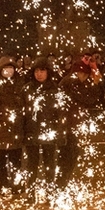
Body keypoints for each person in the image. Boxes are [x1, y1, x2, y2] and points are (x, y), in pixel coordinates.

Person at [58, 59, 100, 188]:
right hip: (68, 123)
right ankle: (61, 183)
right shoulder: (71, 82)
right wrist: (96, 83)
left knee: (70, 154)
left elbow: (91, 99)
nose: (85, 77)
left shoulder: (71, 81)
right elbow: (88, 99)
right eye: (85, 75)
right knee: (68, 154)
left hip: (72, 123)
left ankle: (62, 182)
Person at [22, 57, 61, 192]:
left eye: (42, 71)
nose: (39, 74)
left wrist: (59, 131)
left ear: (48, 72)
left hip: (48, 131)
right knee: (31, 164)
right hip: (31, 130)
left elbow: (60, 113)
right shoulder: (27, 89)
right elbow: (22, 112)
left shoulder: (55, 89)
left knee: (49, 164)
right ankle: (31, 192)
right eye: (37, 71)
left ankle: (50, 191)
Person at [0, 56, 25, 196]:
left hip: (16, 127)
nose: (8, 71)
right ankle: (0, 186)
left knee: (16, 160)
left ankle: (17, 187)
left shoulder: (20, 84)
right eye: (5, 68)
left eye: (11, 68)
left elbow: (24, 104)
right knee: (0, 161)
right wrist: (0, 115)